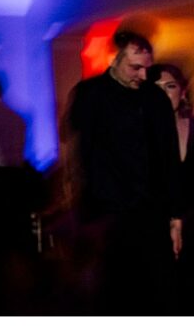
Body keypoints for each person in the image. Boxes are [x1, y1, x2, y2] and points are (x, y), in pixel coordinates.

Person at [63, 27, 186, 313]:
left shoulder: (154, 99)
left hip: (150, 215)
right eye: (135, 67)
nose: (143, 75)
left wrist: (176, 217)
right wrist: (79, 209)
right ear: (114, 59)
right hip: (106, 216)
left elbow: (168, 157)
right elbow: (76, 151)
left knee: (154, 296)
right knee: (112, 296)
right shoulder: (89, 94)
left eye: (147, 68)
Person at [152, 63, 194, 316]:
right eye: (156, 89)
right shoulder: (139, 138)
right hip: (159, 236)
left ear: (183, 91)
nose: (163, 94)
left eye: (170, 86)